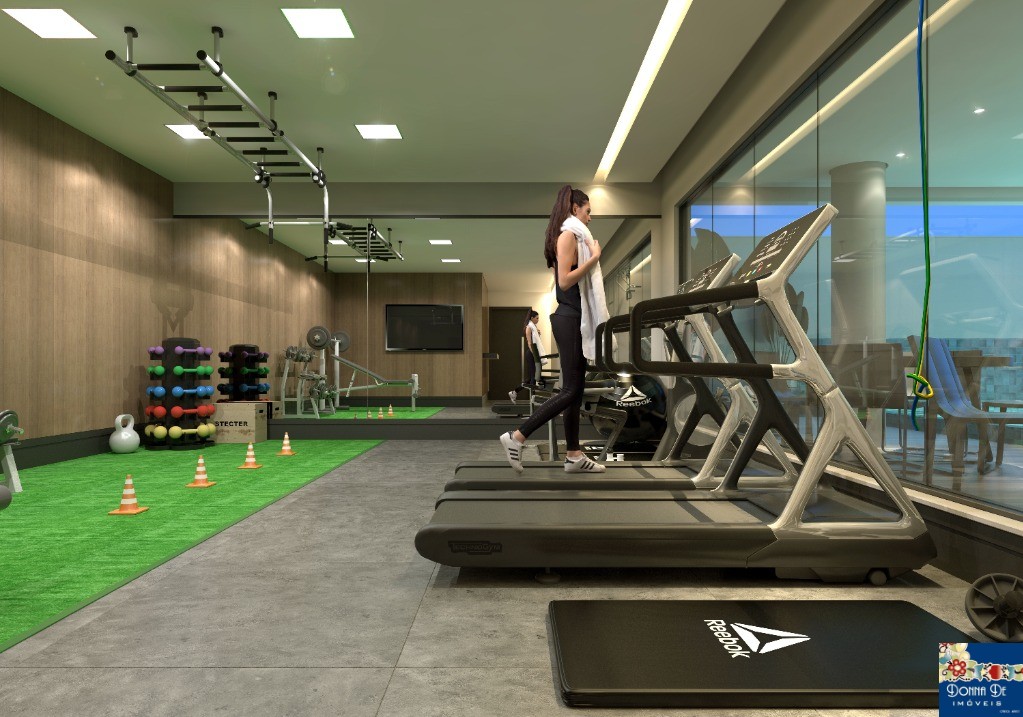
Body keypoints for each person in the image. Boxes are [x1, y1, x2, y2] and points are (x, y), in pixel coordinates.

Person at [500, 185, 608, 473]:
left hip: (574, 317)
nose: (590, 217)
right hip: (569, 317)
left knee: (576, 389)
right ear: (575, 209)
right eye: (588, 211)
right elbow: (564, 281)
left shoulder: (573, 236)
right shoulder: (569, 235)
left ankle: (573, 455)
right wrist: (594, 258)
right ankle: (517, 436)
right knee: (571, 389)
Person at [508, 310, 547, 403]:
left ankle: (514, 392)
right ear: (532, 318)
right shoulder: (529, 327)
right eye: (537, 318)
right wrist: (535, 354)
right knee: (534, 378)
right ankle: (533, 399)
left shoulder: (534, 328)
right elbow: (529, 343)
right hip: (532, 354)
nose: (538, 320)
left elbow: (536, 342)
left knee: (532, 378)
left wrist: (538, 334)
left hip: (535, 353)